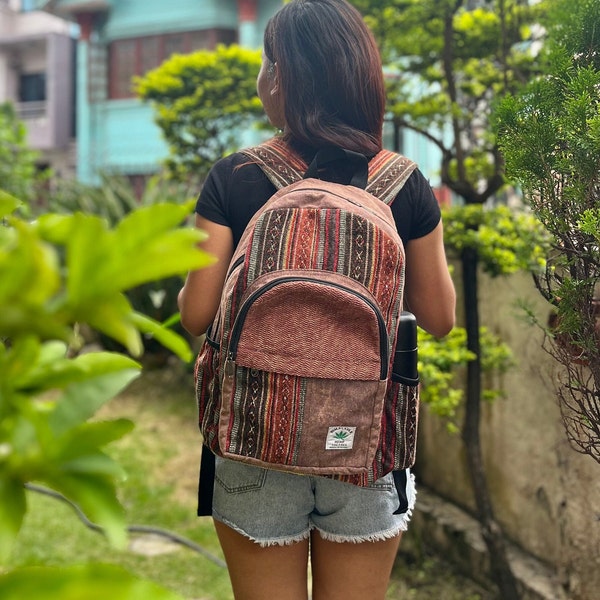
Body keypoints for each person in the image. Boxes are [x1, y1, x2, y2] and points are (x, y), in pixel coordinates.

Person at [178, 0, 456, 598]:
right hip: (366, 438)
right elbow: (439, 319)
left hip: (255, 433)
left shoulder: (235, 177)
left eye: (263, 65)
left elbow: (196, 315)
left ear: (280, 78)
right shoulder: (402, 183)